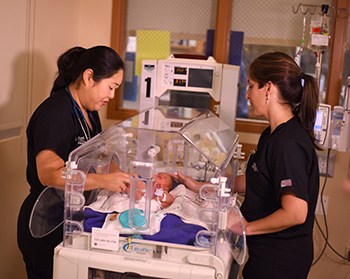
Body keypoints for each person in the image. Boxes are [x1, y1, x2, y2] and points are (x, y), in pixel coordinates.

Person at [171, 52, 320, 279]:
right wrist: (199, 186)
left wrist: (245, 227)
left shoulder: (288, 144)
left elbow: (296, 213)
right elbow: (254, 180)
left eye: (251, 86)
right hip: (265, 252)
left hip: (281, 260)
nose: (247, 95)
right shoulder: (271, 134)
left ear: (268, 88)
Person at [17, 46, 131, 279]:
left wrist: (122, 179)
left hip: (71, 216)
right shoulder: (55, 113)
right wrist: (103, 181)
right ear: (89, 77)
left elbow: (99, 154)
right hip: (46, 222)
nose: (111, 96)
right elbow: (49, 173)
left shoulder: (89, 112)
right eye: (110, 87)